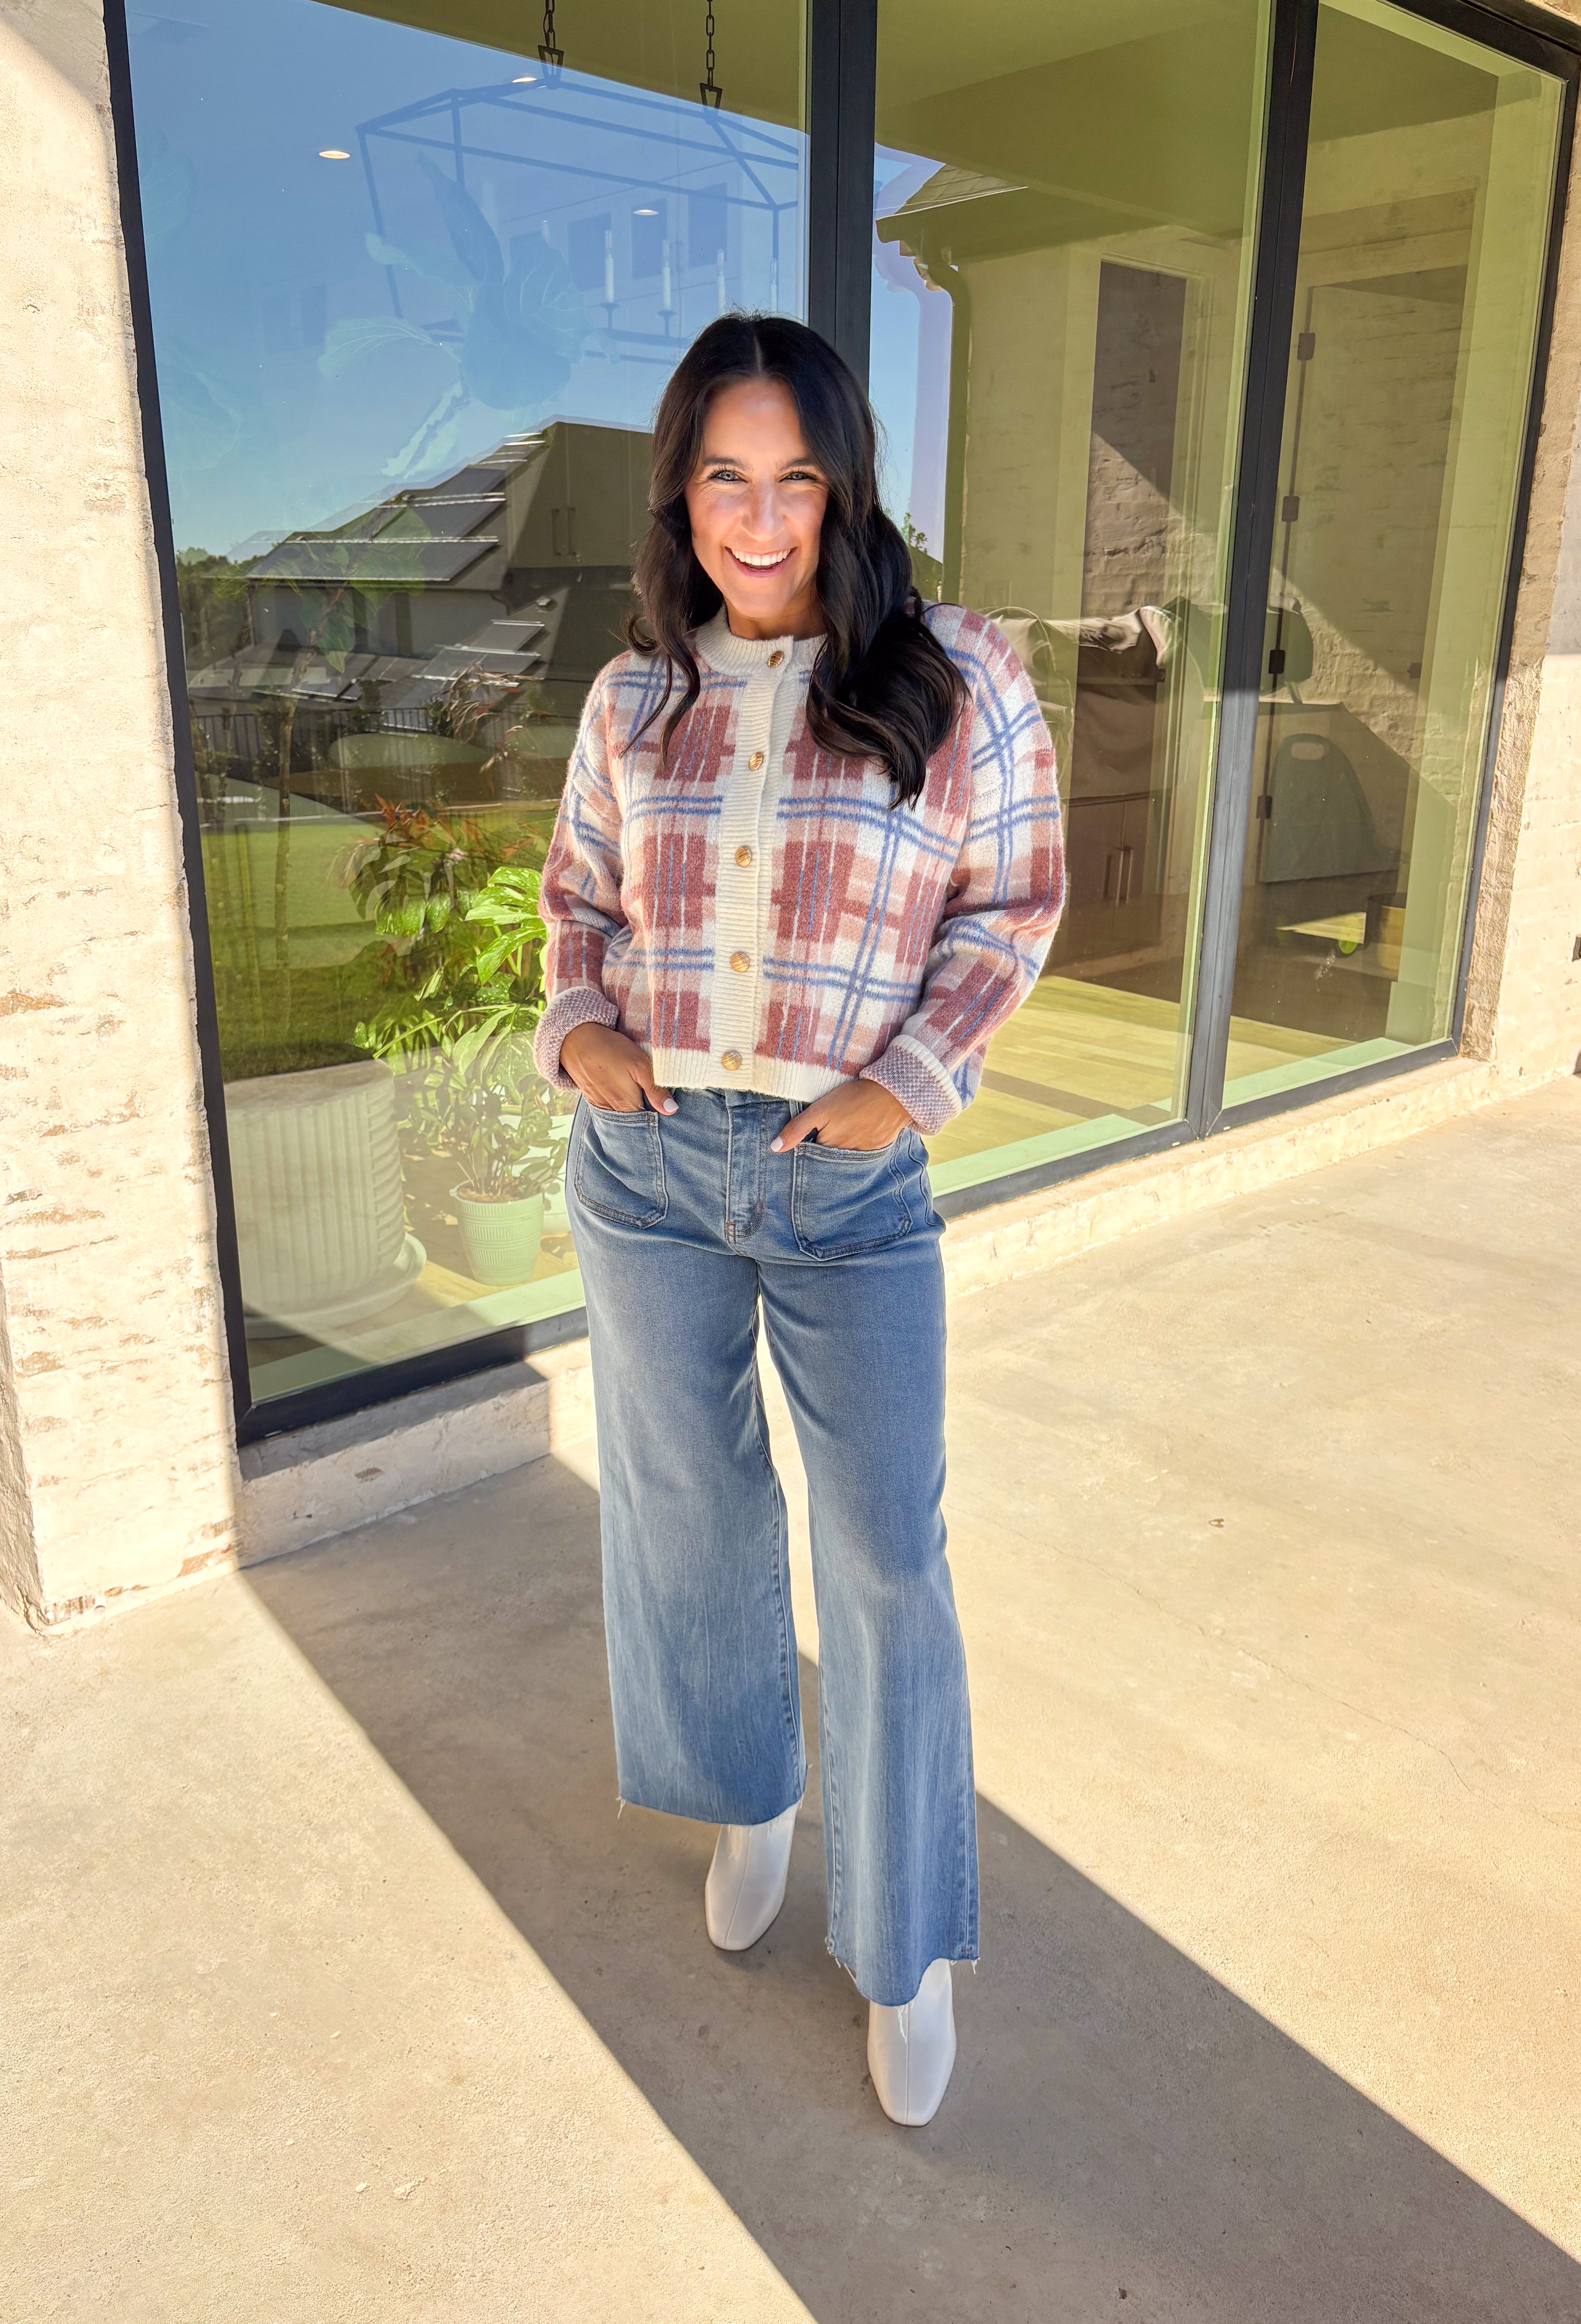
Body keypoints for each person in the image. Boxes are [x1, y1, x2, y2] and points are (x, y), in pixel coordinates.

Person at [533, 313, 1063, 2127]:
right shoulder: (636, 699)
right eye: (723, 481)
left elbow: (1014, 910)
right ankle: (751, 1790)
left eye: (796, 479)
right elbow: (576, 903)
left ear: (844, 485)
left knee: (889, 1561)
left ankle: (907, 1940)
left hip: (848, 1179)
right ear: (681, 494)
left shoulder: (958, 675)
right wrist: (582, 1026)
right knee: (688, 1513)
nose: (759, 522)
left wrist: (904, 1085)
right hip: (653, 1168)